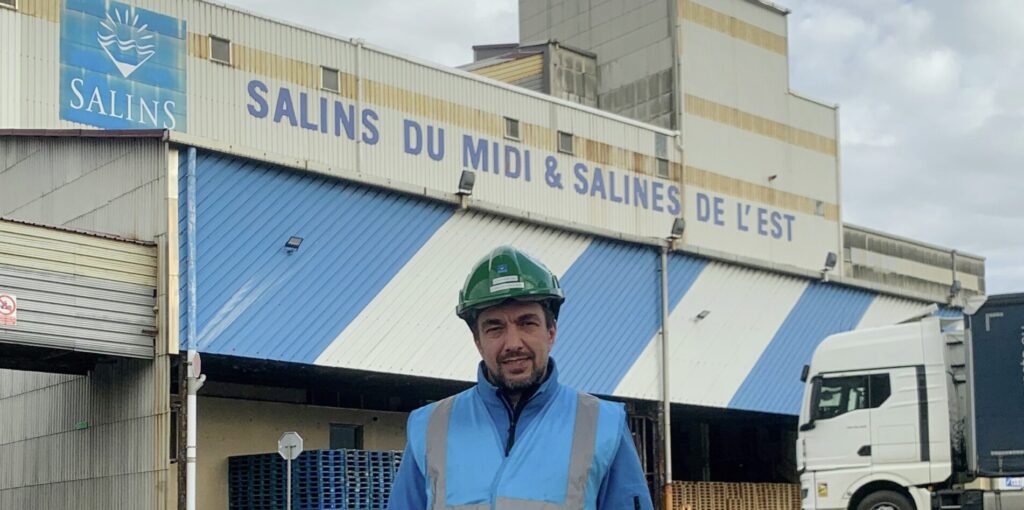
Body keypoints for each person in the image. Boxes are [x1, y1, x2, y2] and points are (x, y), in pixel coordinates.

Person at [388, 246, 655, 509]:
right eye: (495, 328)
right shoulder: (430, 426)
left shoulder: (603, 424)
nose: (513, 343)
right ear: (478, 341)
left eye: (527, 323)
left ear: (551, 332)